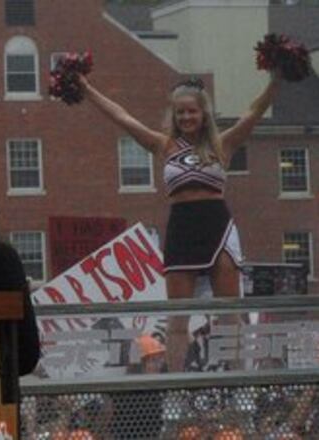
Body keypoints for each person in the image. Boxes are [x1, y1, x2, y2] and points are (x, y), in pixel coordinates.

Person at [79, 71, 279, 371]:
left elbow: (254, 112)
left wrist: (277, 78)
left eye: (192, 111)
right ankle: (175, 387)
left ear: (203, 114)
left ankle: (239, 386)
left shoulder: (222, 144)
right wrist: (86, 88)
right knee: (178, 315)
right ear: (174, 116)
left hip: (217, 225)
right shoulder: (163, 145)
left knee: (229, 312)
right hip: (182, 227)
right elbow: (122, 117)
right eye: (181, 112)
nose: (187, 117)